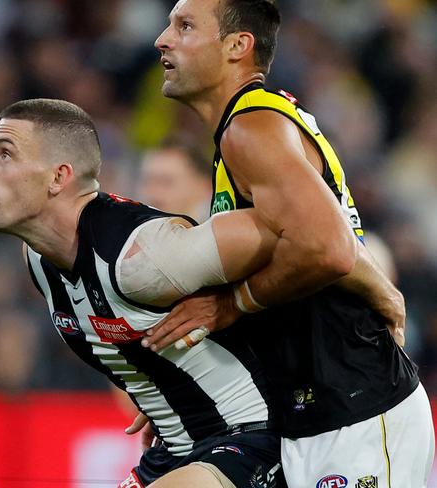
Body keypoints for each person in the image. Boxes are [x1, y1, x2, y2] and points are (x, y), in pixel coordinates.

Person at [0, 99, 405, 488]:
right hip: (174, 449)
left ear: (59, 177)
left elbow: (308, 233)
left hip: (252, 439)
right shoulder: (38, 259)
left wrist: (382, 292)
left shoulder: (145, 257)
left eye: (5, 153)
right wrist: (164, 383)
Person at [139, 0, 434, 486]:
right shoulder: (248, 131)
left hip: (355, 406)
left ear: (238, 46)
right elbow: (323, 242)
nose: (162, 39)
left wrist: (231, 304)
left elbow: (329, 249)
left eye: (185, 25)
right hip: (315, 414)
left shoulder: (251, 129)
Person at [138, 137, 211, 223]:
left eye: (166, 182)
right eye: (147, 182)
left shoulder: (222, 233)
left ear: (204, 187)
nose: (153, 194)